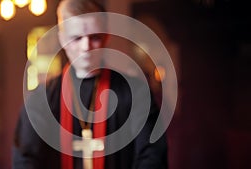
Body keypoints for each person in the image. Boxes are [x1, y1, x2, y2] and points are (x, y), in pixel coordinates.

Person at [13, 0, 168, 169]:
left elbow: (152, 156)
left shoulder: (137, 93)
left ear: (106, 36)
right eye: (77, 38)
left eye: (94, 37)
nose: (86, 47)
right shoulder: (40, 99)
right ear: (62, 39)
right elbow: (25, 160)